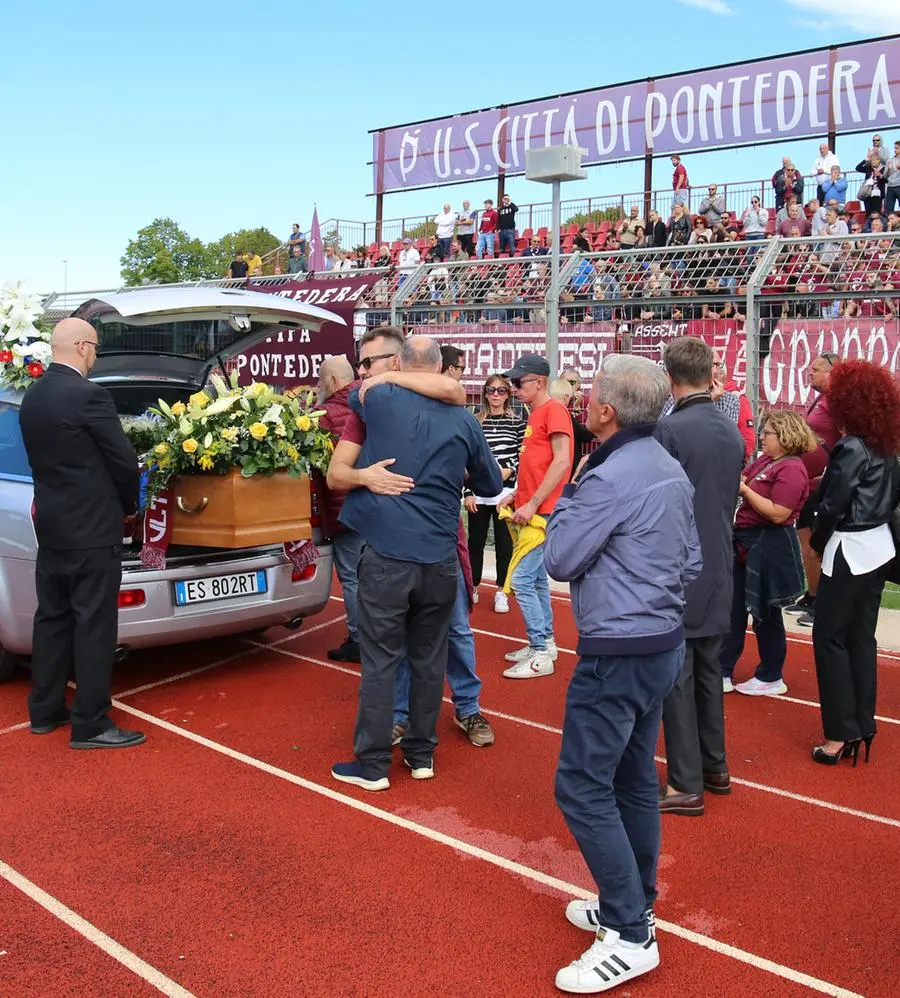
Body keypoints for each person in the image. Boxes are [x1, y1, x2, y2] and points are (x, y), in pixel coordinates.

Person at [545, 354, 701, 995]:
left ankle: (632, 935)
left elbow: (559, 558)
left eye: (590, 395)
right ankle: (634, 903)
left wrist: (571, 495)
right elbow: (691, 562)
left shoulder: (607, 476)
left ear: (606, 411)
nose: (582, 400)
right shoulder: (669, 467)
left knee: (581, 787)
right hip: (661, 644)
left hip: (619, 650)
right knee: (635, 777)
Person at [326, 336, 502, 791]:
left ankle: (372, 765)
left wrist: (385, 377)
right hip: (439, 558)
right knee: (428, 659)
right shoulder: (465, 420)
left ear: (399, 364)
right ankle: (421, 756)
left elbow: (356, 393)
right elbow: (488, 483)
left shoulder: (378, 396)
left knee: (382, 661)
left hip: (387, 556)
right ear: (441, 367)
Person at [19, 318, 144, 749]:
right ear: (82, 346)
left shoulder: (33, 396)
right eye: (94, 348)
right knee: (94, 623)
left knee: (51, 618)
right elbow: (124, 462)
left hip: (51, 526)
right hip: (92, 528)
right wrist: (131, 507)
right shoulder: (90, 395)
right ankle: (91, 723)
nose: (95, 356)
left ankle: (45, 709)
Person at [654, 338, 744, 818]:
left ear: (671, 377)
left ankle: (686, 781)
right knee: (709, 672)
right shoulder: (732, 432)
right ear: (710, 373)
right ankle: (716, 767)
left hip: (681, 568)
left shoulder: (670, 430)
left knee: (679, 678)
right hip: (719, 565)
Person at [810, 361, 900, 766]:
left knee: (829, 638)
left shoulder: (851, 447)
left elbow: (833, 504)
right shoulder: (886, 446)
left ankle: (839, 734)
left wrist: (817, 540)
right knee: (861, 639)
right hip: (877, 546)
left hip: (849, 548)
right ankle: (862, 724)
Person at [720, 411, 816, 697]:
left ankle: (771, 674)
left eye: (769, 432)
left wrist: (745, 491)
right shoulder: (767, 460)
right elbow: (744, 477)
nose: (762, 435)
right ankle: (723, 669)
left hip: (768, 545)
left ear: (785, 436)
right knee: (734, 608)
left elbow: (779, 513)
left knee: (766, 612)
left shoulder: (792, 469)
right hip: (747, 542)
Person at [498, 354, 573, 679]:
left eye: (518, 382)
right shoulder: (537, 414)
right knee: (536, 580)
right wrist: (520, 495)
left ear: (538, 382)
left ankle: (541, 650)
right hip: (535, 510)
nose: (513, 388)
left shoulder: (553, 410)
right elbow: (539, 465)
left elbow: (562, 461)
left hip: (544, 515)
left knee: (524, 580)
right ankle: (544, 643)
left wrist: (533, 503)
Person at [785, 353, 841, 627]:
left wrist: (830, 474)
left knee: (818, 543)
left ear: (834, 372)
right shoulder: (820, 401)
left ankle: (823, 603)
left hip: (823, 484)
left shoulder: (839, 403)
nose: (810, 373)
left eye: (816, 369)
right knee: (805, 539)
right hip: (808, 482)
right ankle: (812, 594)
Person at [464, 375, 525, 613]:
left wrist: (509, 470)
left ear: (508, 394)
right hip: (478, 492)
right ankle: (473, 586)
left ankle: (502, 590)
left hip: (505, 494)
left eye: (501, 390)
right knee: (475, 543)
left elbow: (522, 455)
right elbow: (466, 458)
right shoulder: (475, 422)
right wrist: (467, 492)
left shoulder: (518, 423)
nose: (496, 395)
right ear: (485, 393)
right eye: (491, 390)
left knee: (504, 544)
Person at [549, 377, 595, 478]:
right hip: (566, 467)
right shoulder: (561, 412)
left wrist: (578, 410)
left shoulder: (587, 402)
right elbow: (586, 434)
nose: (569, 385)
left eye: (572, 382)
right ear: (566, 397)